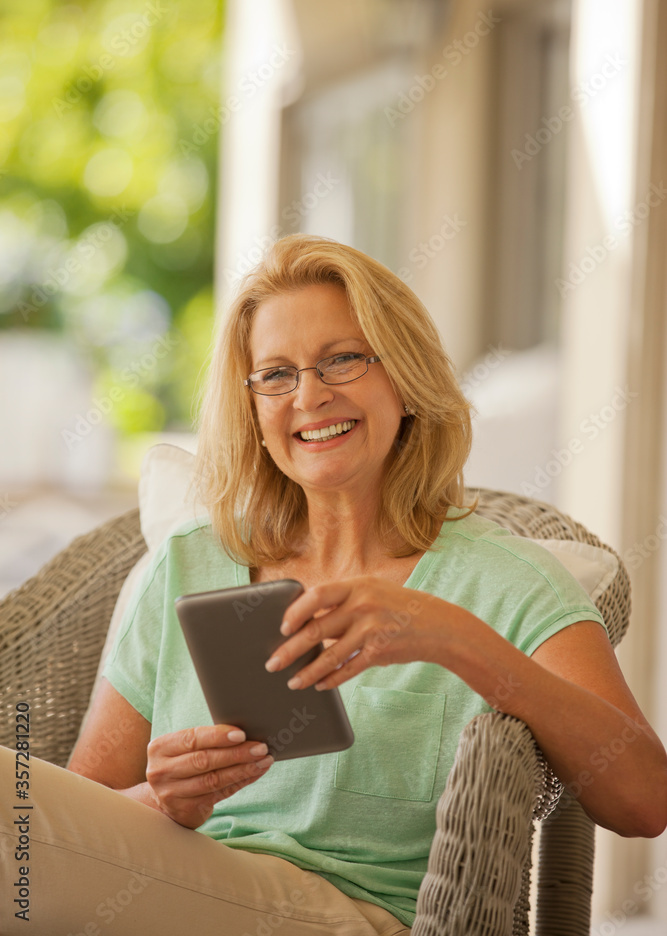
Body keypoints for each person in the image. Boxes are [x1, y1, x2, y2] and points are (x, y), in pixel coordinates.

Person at [2, 234, 666, 936]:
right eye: (276, 375)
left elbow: (644, 801)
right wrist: (163, 800)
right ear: (254, 411)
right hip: (173, 887)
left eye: (342, 360)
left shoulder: (506, 579)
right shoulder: (190, 560)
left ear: (405, 381)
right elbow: (69, 827)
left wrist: (454, 639)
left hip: (345, 914)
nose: (310, 396)